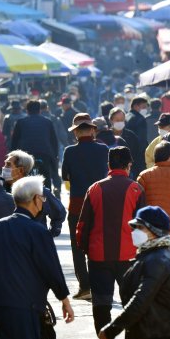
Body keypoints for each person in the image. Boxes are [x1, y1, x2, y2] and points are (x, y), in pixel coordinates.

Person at [0, 176, 74, 339]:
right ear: (36, 199)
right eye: (42, 198)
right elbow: (51, 268)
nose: (43, 202)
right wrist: (64, 299)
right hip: (26, 304)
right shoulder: (38, 231)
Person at [76, 147, 146, 339]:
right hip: (130, 257)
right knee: (131, 303)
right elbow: (143, 226)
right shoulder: (136, 189)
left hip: (99, 256)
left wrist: (86, 249)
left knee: (101, 303)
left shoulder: (95, 188)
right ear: (128, 165)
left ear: (109, 165)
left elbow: (82, 226)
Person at [98, 206, 170, 339]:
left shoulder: (157, 260)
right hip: (150, 338)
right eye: (135, 227)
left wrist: (112, 329)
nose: (135, 232)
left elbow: (141, 299)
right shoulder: (153, 256)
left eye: (140, 227)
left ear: (155, 231)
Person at [62, 114, 109, 300]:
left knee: (78, 246)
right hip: (99, 201)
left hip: (77, 204)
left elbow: (65, 176)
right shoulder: (104, 149)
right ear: (92, 130)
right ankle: (100, 286)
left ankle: (85, 286)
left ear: (76, 133)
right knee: (99, 244)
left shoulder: (69, 151)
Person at [2, 150, 66, 237]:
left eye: (8, 165)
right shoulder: (1, 189)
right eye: (5, 164)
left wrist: (50, 234)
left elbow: (59, 212)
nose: (4, 168)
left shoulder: (38, 190)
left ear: (20, 170)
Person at [11, 100, 59, 190]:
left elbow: (14, 141)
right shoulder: (48, 122)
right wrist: (54, 156)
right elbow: (54, 141)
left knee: (24, 177)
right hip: (45, 154)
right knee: (46, 177)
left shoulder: (20, 122)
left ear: (27, 110)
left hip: (26, 155)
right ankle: (48, 195)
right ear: (40, 110)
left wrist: (14, 157)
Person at [109, 107, 143, 178]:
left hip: (129, 173)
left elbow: (137, 156)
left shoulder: (131, 136)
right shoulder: (107, 136)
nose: (120, 122)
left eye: (122, 120)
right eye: (117, 120)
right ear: (111, 121)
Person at [125, 95, 149, 169]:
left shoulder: (126, 116)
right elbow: (142, 140)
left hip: (126, 151)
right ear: (135, 106)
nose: (145, 109)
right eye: (143, 107)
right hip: (137, 156)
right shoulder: (140, 119)